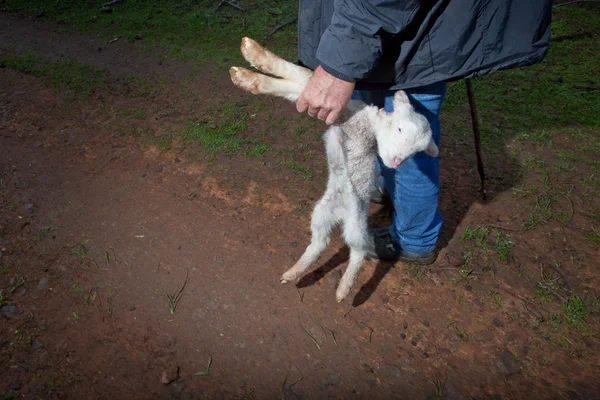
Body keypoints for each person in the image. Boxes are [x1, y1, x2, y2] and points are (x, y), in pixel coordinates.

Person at [295, 0, 553, 264]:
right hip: (378, 35)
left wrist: (342, 61)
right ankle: (393, 191)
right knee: (380, 126)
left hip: (416, 40)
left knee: (412, 146)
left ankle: (413, 239)